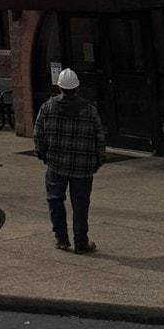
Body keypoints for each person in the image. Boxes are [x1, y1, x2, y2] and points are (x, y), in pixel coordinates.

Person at [33, 68, 107, 253]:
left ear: (59, 87)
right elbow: (100, 137)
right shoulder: (89, 110)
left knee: (55, 200)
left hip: (56, 163)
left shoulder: (48, 107)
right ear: (77, 88)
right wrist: (99, 160)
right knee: (81, 204)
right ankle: (81, 243)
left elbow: (38, 134)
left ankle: (61, 239)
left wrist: (43, 154)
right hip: (83, 166)